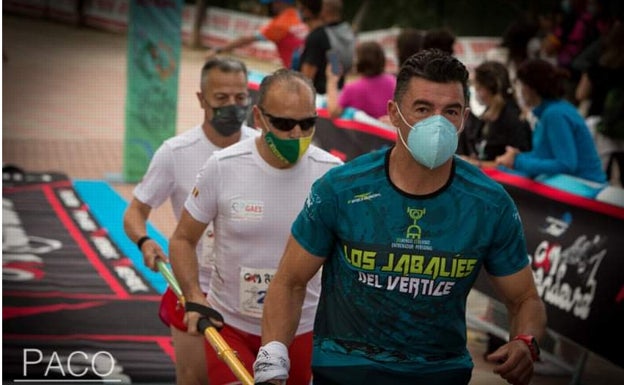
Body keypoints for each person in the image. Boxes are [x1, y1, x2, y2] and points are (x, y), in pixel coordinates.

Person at [254, 49, 547, 385]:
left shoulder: (490, 203)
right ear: (394, 113)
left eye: (450, 111)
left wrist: (526, 343)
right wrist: (274, 352)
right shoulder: (341, 189)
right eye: (423, 109)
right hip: (345, 370)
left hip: (439, 373)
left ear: (464, 118)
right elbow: (289, 281)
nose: (438, 123)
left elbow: (525, 298)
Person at [169, 69, 343, 385]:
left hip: (301, 331)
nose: (296, 134)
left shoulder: (332, 176)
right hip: (230, 325)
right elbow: (182, 238)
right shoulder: (223, 167)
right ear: (259, 118)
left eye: (307, 123)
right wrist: (195, 295)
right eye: (284, 124)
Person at [122, 57, 257, 385]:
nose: (232, 106)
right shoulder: (175, 152)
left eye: (240, 98)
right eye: (221, 98)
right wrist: (145, 240)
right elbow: (135, 212)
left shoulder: (262, 148)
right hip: (193, 286)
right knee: (193, 378)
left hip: (251, 292)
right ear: (201, 99)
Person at [495, 58, 607, 184]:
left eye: (521, 85)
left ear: (531, 88)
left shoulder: (555, 114)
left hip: (584, 184)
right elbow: (544, 156)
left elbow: (566, 164)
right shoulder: (549, 112)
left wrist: (517, 161)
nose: (520, 91)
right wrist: (517, 158)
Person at [461, 61, 532, 164]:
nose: (475, 90)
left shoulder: (513, 119)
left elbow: (516, 162)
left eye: (478, 87)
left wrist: (478, 165)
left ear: (489, 88)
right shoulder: (486, 115)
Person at [204, 0, 307, 69]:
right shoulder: (300, 16)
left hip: (298, 70)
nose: (270, 6)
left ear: (279, 2)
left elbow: (246, 39)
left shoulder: (279, 24)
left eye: (272, 3)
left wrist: (218, 50)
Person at [325, 40, 396, 119]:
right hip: (388, 129)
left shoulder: (352, 89)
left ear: (358, 61)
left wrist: (331, 81)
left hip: (364, 130)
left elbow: (333, 112)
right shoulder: (392, 81)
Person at [296, 0, 355, 94]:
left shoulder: (317, 36)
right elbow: (335, 68)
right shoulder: (340, 33)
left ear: (323, 10)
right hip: (334, 94)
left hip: (317, 96)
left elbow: (306, 77)